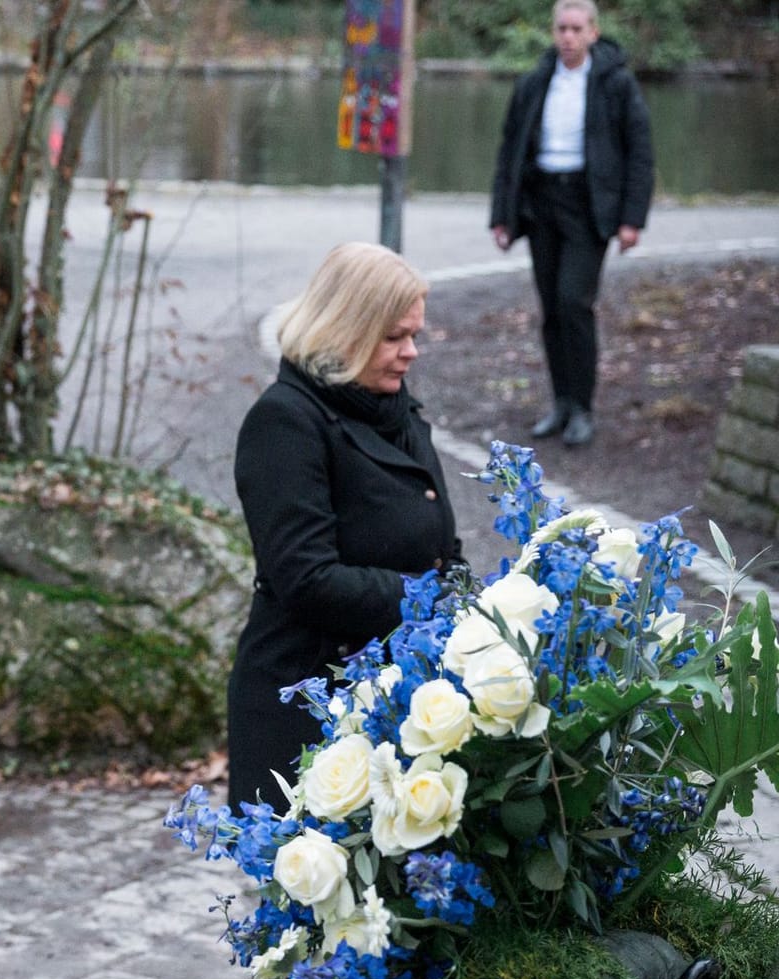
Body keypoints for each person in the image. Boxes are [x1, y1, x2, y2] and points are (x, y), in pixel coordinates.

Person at [227, 242, 463, 813]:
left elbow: (440, 546)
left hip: (394, 705)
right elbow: (305, 578)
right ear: (346, 330)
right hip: (305, 711)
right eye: (393, 337)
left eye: (414, 335)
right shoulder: (285, 421)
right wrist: (433, 600)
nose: (410, 353)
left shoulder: (396, 408)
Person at [489, 0, 653, 449]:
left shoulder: (615, 84)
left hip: (588, 204)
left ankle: (582, 407)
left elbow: (639, 152)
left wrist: (631, 219)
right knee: (550, 307)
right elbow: (510, 150)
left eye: (577, 28)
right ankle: (560, 402)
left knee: (573, 301)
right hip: (542, 202)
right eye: (561, 28)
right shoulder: (536, 82)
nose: (568, 37)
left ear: (593, 33)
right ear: (553, 31)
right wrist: (501, 215)